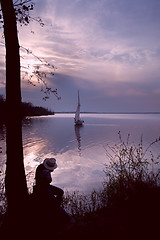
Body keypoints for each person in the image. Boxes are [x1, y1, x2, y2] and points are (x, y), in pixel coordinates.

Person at [32, 158, 74, 232]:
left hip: (44, 186)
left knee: (60, 192)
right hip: (42, 189)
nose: (52, 170)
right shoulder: (45, 171)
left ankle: (55, 208)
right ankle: (68, 218)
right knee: (56, 203)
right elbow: (49, 180)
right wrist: (47, 174)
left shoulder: (40, 167)